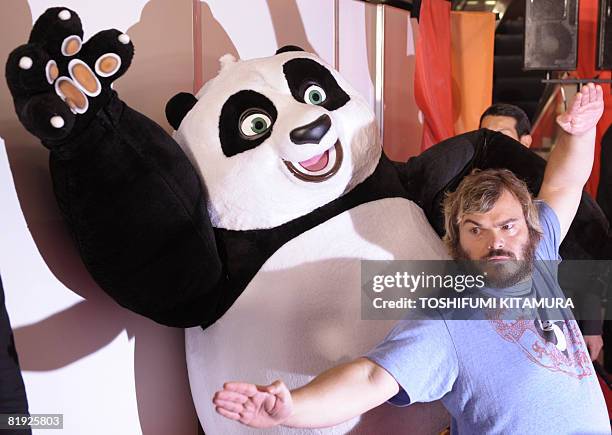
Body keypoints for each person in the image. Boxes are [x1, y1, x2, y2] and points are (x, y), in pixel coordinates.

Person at [212, 84, 610, 433]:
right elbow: (369, 378)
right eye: (476, 230)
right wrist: (291, 408)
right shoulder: (447, 317)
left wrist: (580, 133)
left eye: (507, 226)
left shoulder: (537, 252)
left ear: (529, 227)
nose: (496, 242)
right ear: (454, 244)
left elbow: (564, 180)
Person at [480, 101, 606, 361]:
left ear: (525, 140)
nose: (492, 143)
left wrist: (592, 327)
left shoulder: (546, 185)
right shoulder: (469, 188)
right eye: (485, 135)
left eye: (500, 136)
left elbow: (588, 258)